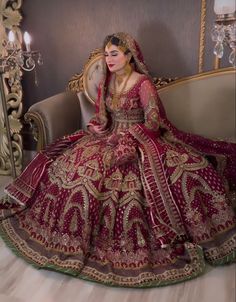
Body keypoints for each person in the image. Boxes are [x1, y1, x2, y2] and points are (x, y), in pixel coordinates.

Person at [0, 32, 235, 288]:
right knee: (74, 170)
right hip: (108, 139)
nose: (108, 59)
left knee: (174, 176)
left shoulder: (143, 83)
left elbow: (153, 121)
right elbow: (103, 117)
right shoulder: (107, 83)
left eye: (114, 54)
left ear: (129, 55)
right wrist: (99, 126)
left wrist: (130, 138)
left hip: (141, 140)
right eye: (106, 54)